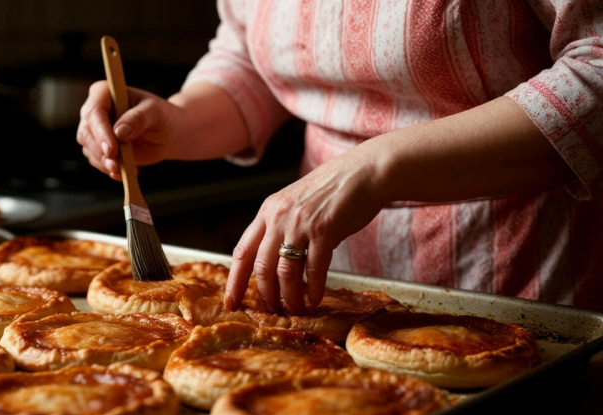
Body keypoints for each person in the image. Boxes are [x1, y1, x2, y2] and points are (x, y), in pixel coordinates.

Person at [77, 1, 602, 314]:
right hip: (322, 279)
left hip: (513, 277)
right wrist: (179, 122)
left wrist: (376, 166)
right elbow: (252, 58)